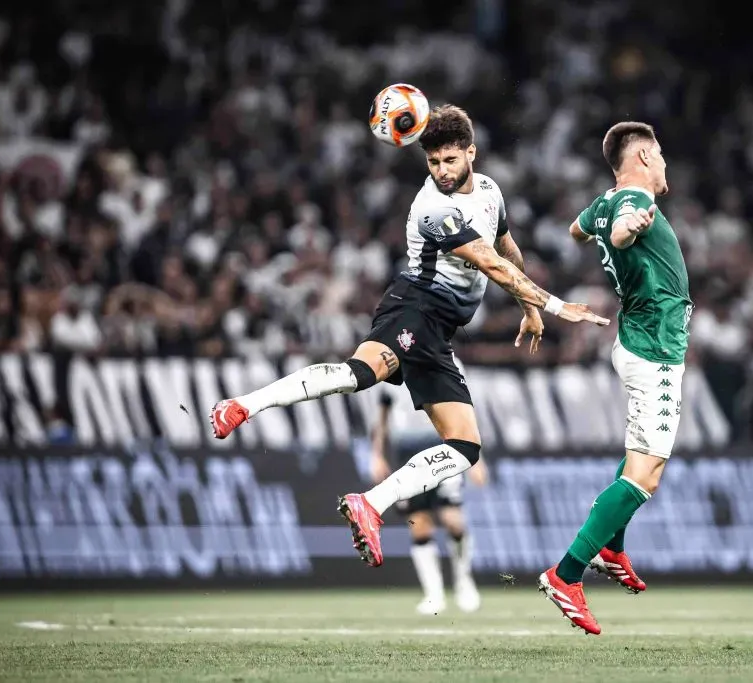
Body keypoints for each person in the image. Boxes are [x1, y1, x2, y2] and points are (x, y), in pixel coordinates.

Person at [209, 104, 609, 569]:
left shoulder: (491, 191)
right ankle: (242, 406)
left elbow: (507, 247)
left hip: (439, 331)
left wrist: (528, 310)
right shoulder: (431, 209)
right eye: (433, 162)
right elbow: (491, 265)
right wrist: (556, 306)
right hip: (414, 307)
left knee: (465, 447)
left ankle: (371, 505)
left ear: (471, 154)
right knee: (360, 374)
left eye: (450, 161)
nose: (441, 171)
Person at [537, 121, 692, 635]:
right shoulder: (632, 206)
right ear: (645, 157)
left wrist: (605, 220)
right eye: (662, 155)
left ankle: (611, 546)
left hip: (636, 343)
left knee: (636, 461)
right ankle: (566, 574)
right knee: (645, 475)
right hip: (654, 351)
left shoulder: (604, 203)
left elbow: (576, 230)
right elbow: (624, 227)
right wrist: (630, 225)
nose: (665, 164)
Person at [370, 367, 486, 614]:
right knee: (419, 523)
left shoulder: (447, 358)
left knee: (452, 519)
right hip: (406, 449)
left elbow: (465, 410)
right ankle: (434, 594)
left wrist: (479, 458)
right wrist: (377, 454)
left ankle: (464, 582)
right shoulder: (392, 362)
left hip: (444, 444)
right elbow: (382, 413)